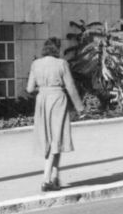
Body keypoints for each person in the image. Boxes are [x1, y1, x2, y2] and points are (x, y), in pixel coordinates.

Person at [26, 37, 84, 192]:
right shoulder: (61, 63)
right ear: (57, 49)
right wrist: (80, 108)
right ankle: (46, 179)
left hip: (42, 101)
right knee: (56, 137)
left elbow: (30, 89)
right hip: (58, 100)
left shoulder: (35, 64)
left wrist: (43, 90)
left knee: (50, 138)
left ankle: (55, 177)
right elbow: (70, 87)